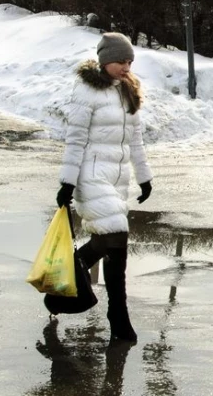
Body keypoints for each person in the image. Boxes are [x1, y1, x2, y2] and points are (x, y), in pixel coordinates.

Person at [56, 32, 153, 343]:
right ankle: (118, 316)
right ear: (105, 61)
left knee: (109, 241)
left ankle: (72, 271)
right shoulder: (87, 90)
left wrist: (144, 176)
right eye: (120, 62)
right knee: (117, 237)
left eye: (129, 62)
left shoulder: (128, 90)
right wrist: (68, 182)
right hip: (92, 174)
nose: (126, 67)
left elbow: (135, 140)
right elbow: (75, 139)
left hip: (117, 178)